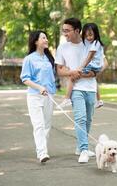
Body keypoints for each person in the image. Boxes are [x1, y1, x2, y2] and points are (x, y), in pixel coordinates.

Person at [55, 17, 97, 163]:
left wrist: (90, 73)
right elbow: (60, 70)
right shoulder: (62, 48)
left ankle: (80, 147)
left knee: (88, 119)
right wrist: (71, 72)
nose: (65, 34)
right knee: (80, 118)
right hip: (76, 88)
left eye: (67, 31)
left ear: (77, 31)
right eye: (63, 31)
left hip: (91, 87)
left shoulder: (89, 44)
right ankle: (84, 149)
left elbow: (100, 64)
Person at [20, 30, 56, 163]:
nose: (46, 40)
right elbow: (25, 79)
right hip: (35, 96)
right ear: (36, 41)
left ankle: (42, 149)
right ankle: (42, 153)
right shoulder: (29, 59)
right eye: (43, 38)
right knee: (39, 125)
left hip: (49, 96)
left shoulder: (49, 58)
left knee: (47, 125)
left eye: (46, 38)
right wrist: (39, 87)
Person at [59, 23, 104, 109]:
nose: (88, 37)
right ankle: (99, 100)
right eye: (86, 35)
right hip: (95, 66)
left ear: (96, 33)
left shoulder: (96, 43)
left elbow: (90, 57)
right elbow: (79, 37)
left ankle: (67, 98)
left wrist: (81, 67)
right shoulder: (89, 41)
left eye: (90, 35)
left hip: (92, 65)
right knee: (92, 77)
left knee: (73, 76)